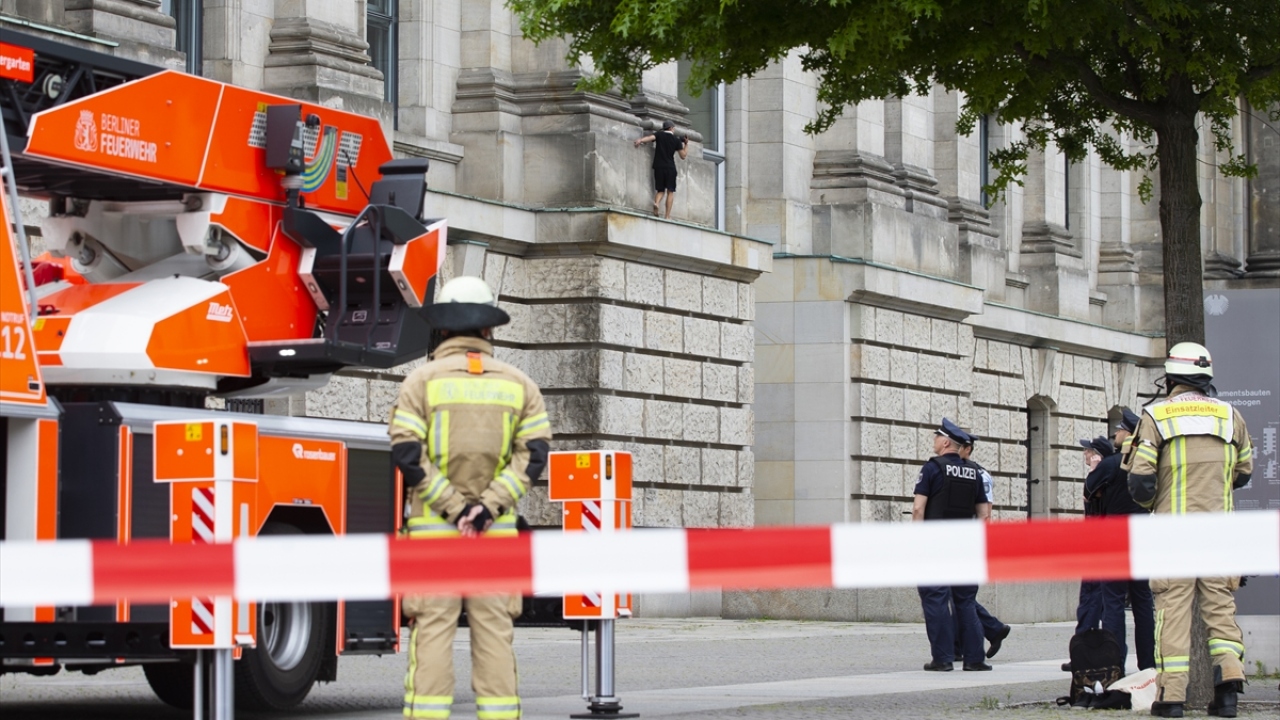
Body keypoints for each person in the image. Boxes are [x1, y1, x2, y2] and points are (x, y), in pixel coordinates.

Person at [389, 276, 553, 720]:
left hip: (432, 539)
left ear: (442, 328)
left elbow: (407, 455)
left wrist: (455, 509)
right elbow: (534, 456)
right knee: (495, 636)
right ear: (488, 328)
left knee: (432, 635)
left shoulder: (420, 382)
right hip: (494, 540)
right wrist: (486, 510)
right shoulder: (520, 385)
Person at [1122, 342, 1254, 719]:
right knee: (1220, 610)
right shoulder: (1230, 415)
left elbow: (1140, 481)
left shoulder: (1156, 415)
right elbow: (1244, 473)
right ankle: (1227, 692)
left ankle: (1171, 699)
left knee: (1173, 613)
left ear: (1170, 378)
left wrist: (1158, 504)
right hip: (1220, 534)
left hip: (1174, 535)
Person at [913, 418, 992, 672]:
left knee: (936, 599)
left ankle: (943, 658)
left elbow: (918, 509)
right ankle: (975, 659)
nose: (934, 440)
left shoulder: (932, 468)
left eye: (937, 436)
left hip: (935, 544)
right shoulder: (974, 472)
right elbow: (984, 514)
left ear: (946, 442)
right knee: (965, 601)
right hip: (965, 544)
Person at [1086, 411, 1155, 674]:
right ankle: (1148, 665)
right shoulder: (1148, 462)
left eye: (1119, 430)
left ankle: (1114, 665)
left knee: (1113, 601)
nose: (1115, 434)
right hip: (1143, 535)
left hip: (1114, 536)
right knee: (1142, 601)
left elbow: (1089, 490)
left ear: (1128, 434)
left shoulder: (1112, 463)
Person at [956, 435, 1012, 659]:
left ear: (967, 450)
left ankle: (990, 631)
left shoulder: (980, 474)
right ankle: (992, 630)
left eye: (958, 447)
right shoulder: (958, 470)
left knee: (962, 595)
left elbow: (985, 513)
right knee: (957, 594)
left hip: (970, 540)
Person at [633, 119, 689, 219]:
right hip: (670, 168)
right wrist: (686, 144)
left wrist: (640, 140)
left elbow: (650, 138)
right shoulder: (676, 140)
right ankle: (667, 216)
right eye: (674, 128)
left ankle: (657, 203)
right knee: (670, 191)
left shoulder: (659, 134)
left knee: (660, 190)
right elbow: (683, 156)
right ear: (671, 128)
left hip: (658, 166)